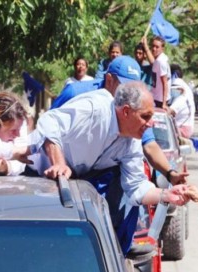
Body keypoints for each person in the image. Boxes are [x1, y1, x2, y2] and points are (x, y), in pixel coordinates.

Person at [28, 82, 190, 253]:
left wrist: (167, 195)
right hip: (36, 177)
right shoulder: (93, 109)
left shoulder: (131, 142)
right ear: (126, 111)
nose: (150, 124)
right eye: (146, 117)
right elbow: (49, 121)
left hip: (74, 185)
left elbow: (136, 188)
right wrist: (58, 162)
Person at [50, 55, 188, 185]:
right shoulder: (75, 92)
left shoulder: (133, 113)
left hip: (103, 179)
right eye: (125, 87)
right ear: (109, 80)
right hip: (61, 173)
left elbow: (150, 146)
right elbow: (49, 126)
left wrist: (170, 174)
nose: (130, 93)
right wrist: (58, 162)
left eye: (133, 89)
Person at [142, 36, 171, 110]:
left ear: (162, 48)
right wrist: (145, 46)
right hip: (156, 97)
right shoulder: (159, 59)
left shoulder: (161, 62)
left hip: (160, 101)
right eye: (153, 46)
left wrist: (164, 104)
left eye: (157, 47)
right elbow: (153, 63)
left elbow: (165, 83)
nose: (154, 49)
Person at [169, 64, 195, 138]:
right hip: (187, 126)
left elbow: (172, 109)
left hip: (181, 129)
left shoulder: (176, 85)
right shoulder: (185, 86)